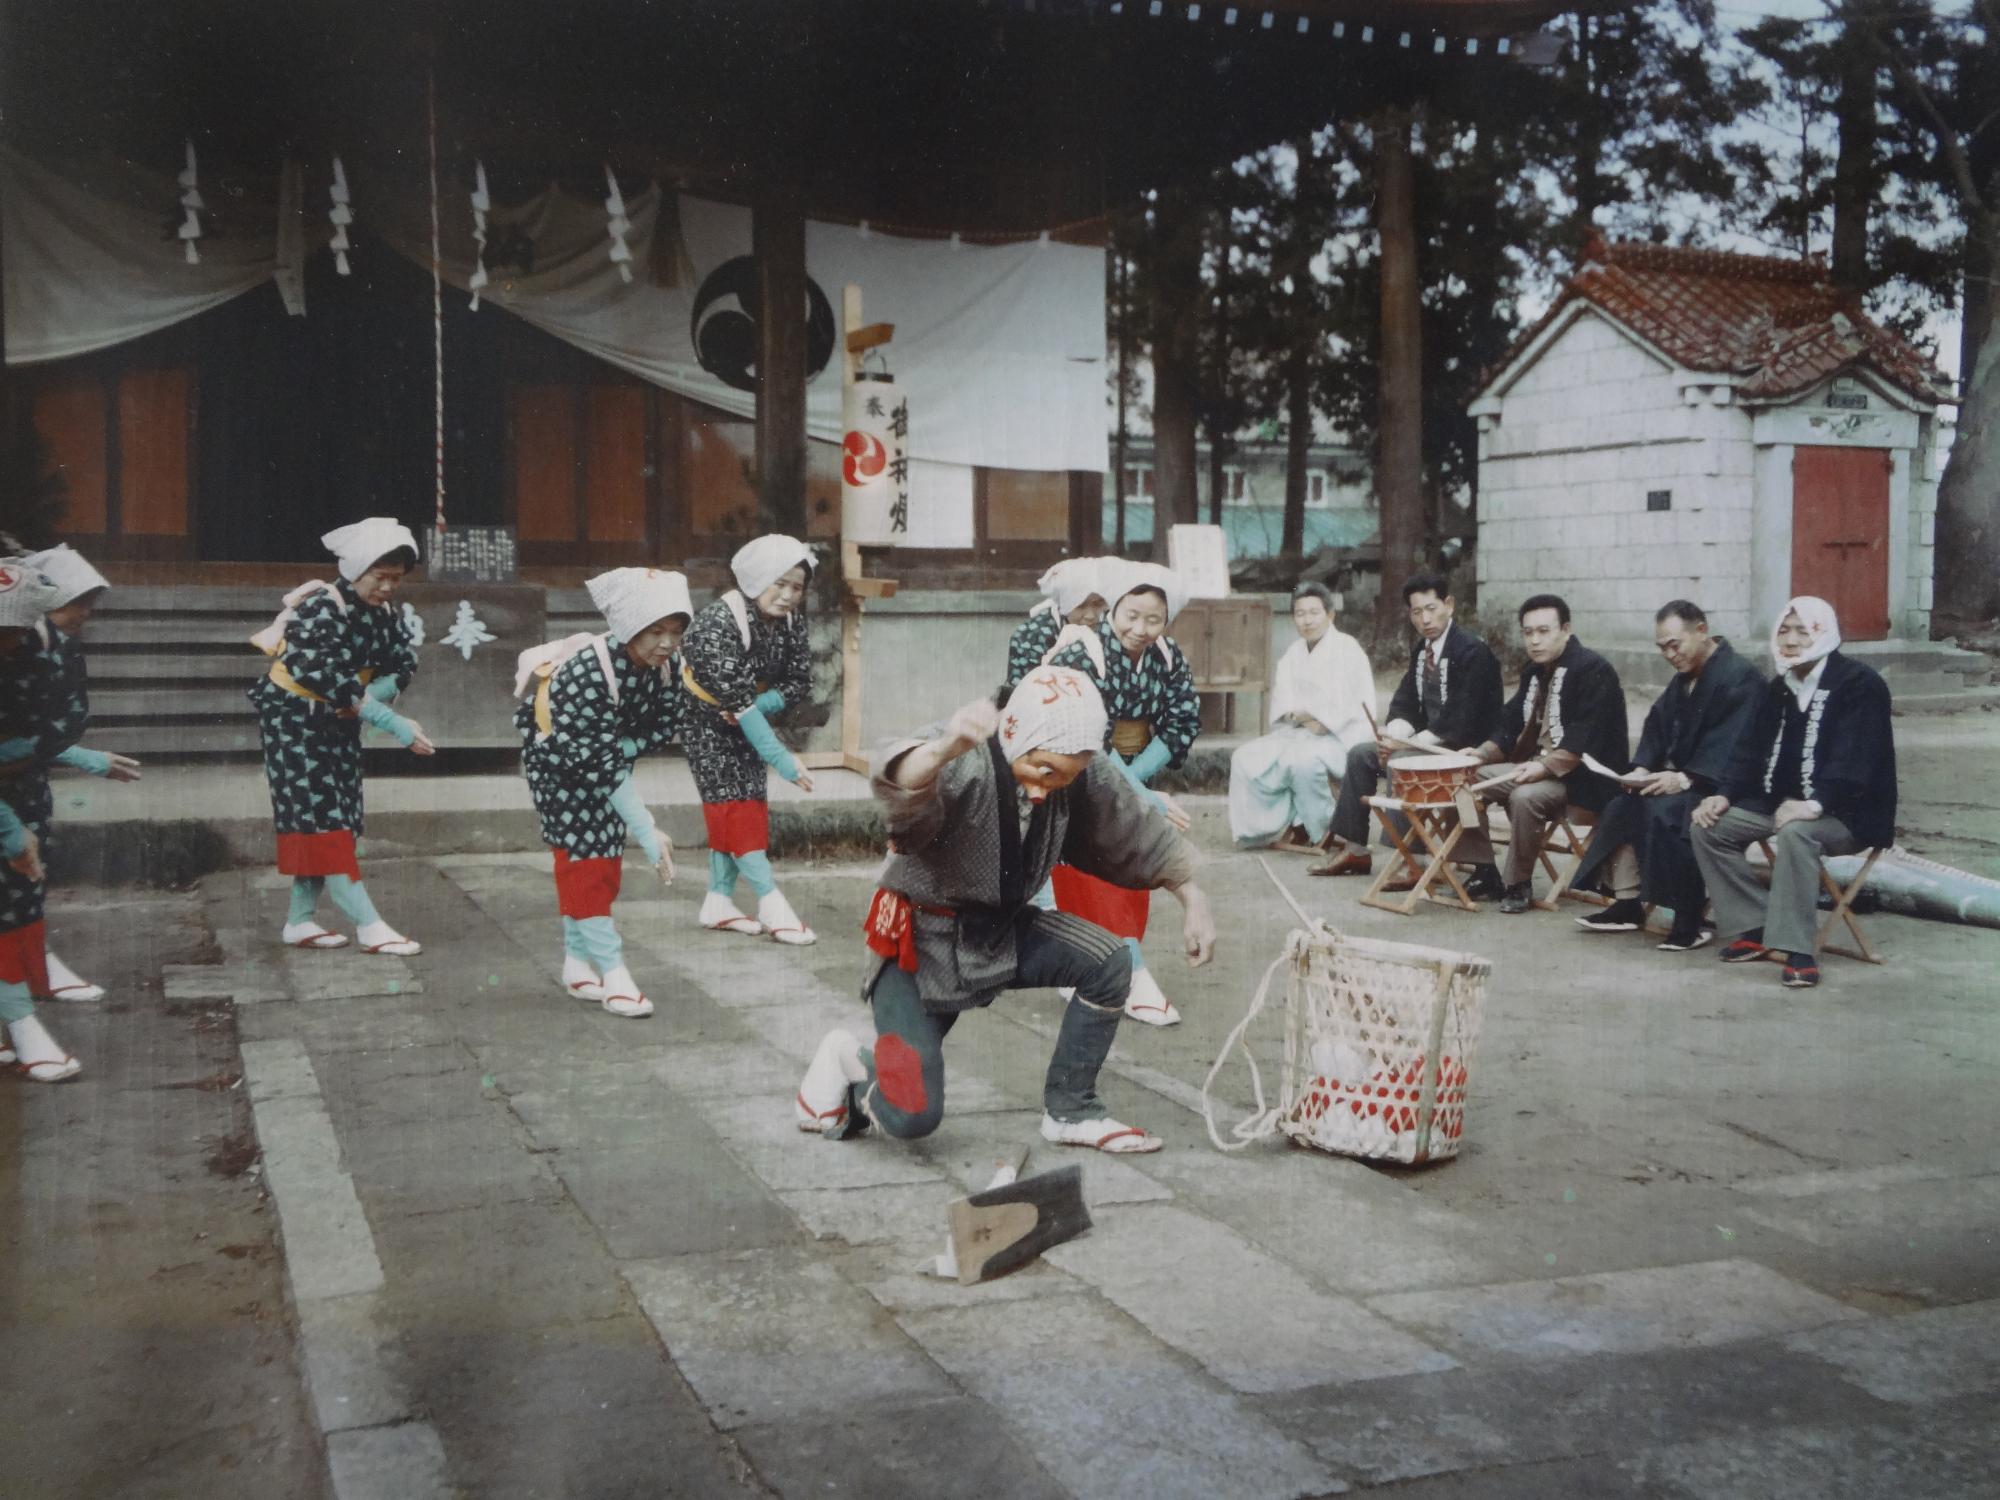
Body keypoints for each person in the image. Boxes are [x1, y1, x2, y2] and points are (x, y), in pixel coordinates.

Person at [794, 667, 1214, 1153]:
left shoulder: (1076, 770)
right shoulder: (964, 754)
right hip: (919, 941)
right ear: (1018, 736)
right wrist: (942, 750)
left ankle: (1071, 1109)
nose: (1045, 789)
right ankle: (849, 1062)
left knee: (1109, 960)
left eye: (1063, 777)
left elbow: (1132, 830)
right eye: (1041, 770)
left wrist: (1191, 895)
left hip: (1002, 929)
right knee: (912, 1115)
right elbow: (899, 777)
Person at [1692, 597, 1895, 989]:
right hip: (1782, 805)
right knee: (1709, 827)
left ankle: (1798, 948)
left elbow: (1859, 759)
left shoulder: (1860, 685)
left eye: (1804, 630)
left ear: (1826, 634)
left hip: (1847, 814)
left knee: (1797, 833)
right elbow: (1748, 750)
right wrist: (1725, 794)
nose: (1791, 640)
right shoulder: (1779, 688)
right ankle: (1755, 923)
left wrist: (1815, 804)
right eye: (1784, 630)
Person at [248, 519, 431, 954]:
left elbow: (402, 664)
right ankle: (369, 925)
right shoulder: (320, 606)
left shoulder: (387, 613)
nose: (388, 587)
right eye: (380, 577)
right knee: (322, 818)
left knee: (341, 816)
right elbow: (323, 674)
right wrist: (392, 723)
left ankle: (299, 920)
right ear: (355, 570)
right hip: (295, 719)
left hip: (342, 721)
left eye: (396, 579)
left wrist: (370, 700)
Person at [515, 568, 690, 1018]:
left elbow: (666, 726)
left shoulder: (667, 668)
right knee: (586, 865)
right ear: (629, 625)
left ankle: (577, 967)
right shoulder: (585, 673)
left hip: (609, 764)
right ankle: (614, 977)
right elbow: (594, 760)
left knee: (601, 862)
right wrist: (648, 828)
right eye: (656, 631)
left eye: (675, 632)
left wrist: (625, 746)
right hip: (558, 768)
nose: (667, 643)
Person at [1043, 560, 1201, 1026]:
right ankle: (1129, 974)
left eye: (1154, 619)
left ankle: (1090, 969)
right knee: (1091, 875)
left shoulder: (1168, 657)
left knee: (1134, 872)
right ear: (1113, 608)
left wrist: (1137, 782)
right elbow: (1084, 734)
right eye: (1131, 615)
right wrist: (1134, 792)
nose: (1141, 629)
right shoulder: (1082, 650)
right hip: (1076, 775)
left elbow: (1182, 723)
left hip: (1132, 772)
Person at [1570, 600, 1762, 950]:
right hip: (1691, 780)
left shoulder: (1740, 677)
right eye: (1663, 648)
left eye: (1676, 644)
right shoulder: (1685, 679)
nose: (1670, 655)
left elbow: (1737, 746)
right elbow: (1658, 725)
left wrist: (1686, 779)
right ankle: (1628, 903)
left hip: (1728, 786)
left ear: (1701, 631)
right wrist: (1643, 767)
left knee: (1665, 812)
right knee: (1623, 805)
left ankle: (1690, 917)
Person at [0, 545, 141, 1003]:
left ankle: (35, 969)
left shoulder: (57, 645)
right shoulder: (15, 644)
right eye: (76, 601)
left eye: (89, 603)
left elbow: (59, 720)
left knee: (30, 881)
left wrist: (81, 755)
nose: (84, 613)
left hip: (30, 779)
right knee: (12, 883)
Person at [1311, 571, 1504, 892]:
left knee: (1400, 760)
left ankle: (1412, 859)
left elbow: (1462, 719)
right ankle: (1356, 849)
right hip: (1422, 745)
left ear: (1449, 605)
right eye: (1417, 612)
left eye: (1431, 608)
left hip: (1462, 748)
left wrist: (1403, 744)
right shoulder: (1423, 649)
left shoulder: (1472, 651)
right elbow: (1405, 702)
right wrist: (1393, 734)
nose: (1425, 619)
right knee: (1361, 753)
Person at [680, 534, 818, 944]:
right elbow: (735, 704)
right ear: (757, 579)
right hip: (705, 722)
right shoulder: (716, 624)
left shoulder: (791, 621)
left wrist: (759, 701)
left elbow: (799, 682)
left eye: (797, 587)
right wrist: (783, 759)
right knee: (733, 808)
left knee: (747, 805)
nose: (789, 595)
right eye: (781, 584)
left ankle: (719, 901)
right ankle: (771, 903)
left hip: (747, 714)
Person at [1470, 594, 1629, 914]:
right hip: (1537, 769)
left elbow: (1584, 740)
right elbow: (1509, 724)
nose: (1535, 640)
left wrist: (1541, 768)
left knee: (1525, 796)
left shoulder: (1593, 670)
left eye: (1543, 631)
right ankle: (1483, 867)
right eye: (1528, 632)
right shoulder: (1534, 672)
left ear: (1566, 629)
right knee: (1462, 777)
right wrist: (1480, 754)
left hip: (1584, 780)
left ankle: (1518, 884)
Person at [0, 558, 85, 1079]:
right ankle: (25, 1026)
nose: (10, 641)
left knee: (11, 910)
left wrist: (24, 750)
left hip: (21, 788)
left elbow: (64, 719)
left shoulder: (36, 651)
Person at [1228, 583, 1375, 851]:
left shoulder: (1347, 648)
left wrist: (1317, 718)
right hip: (1299, 731)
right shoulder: (1293, 652)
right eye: (1300, 613)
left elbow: (1352, 703)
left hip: (1342, 736)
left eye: (1314, 612)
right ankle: (1261, 829)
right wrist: (1304, 717)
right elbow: (1285, 704)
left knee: (1301, 761)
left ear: (1330, 615)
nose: (1306, 620)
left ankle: (1321, 828)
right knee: (1245, 757)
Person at [1003, 556, 1107, 698]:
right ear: (1062, 602)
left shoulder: (1115, 627)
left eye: (1098, 604)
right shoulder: (1029, 636)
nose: (1090, 615)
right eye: (1080, 605)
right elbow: (1022, 695)